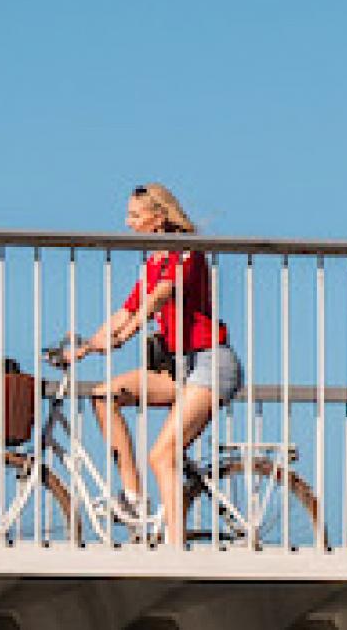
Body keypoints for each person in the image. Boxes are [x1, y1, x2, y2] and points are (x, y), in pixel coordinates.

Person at [50, 183, 242, 544]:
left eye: (135, 216)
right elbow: (126, 308)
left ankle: (174, 547)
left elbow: (158, 298)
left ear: (158, 217)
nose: (127, 223)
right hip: (178, 367)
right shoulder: (153, 262)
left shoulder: (185, 252)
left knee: (162, 454)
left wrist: (127, 333)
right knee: (104, 395)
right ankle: (134, 498)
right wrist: (88, 347)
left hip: (210, 363)